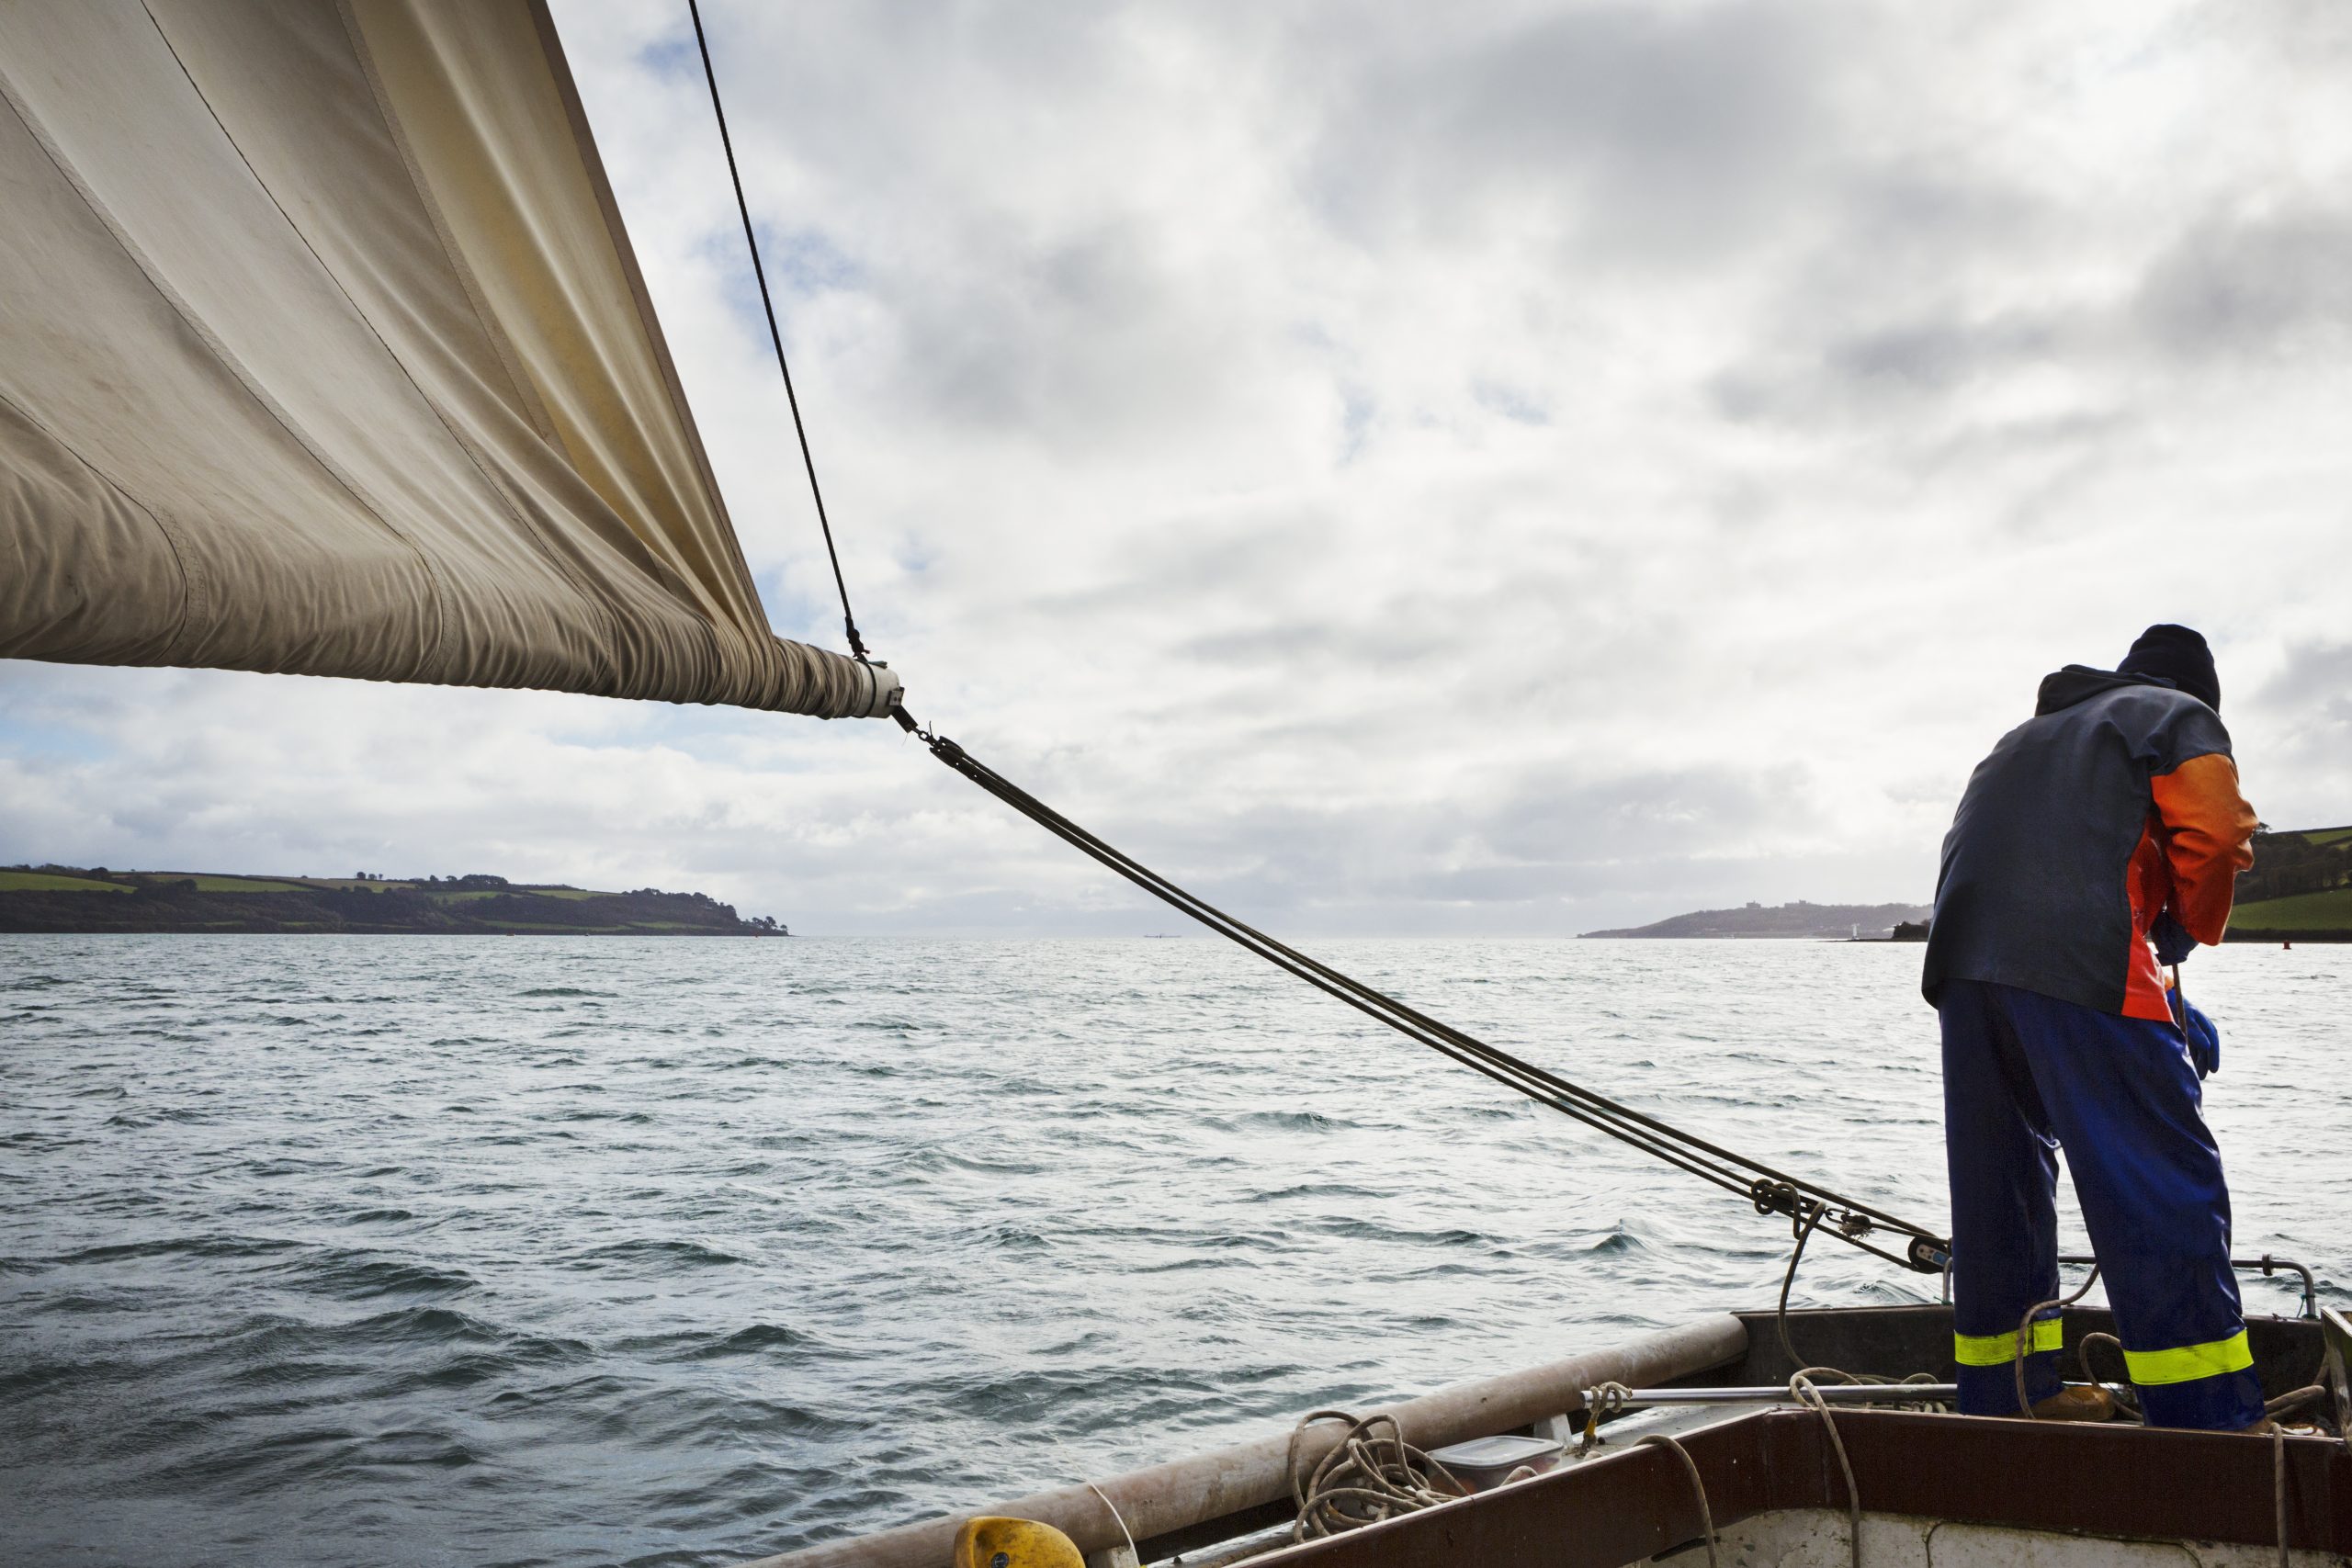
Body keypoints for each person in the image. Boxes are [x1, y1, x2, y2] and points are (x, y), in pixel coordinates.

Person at [1922, 625, 2260, 1429]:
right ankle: (2207, 1421)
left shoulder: (2025, 737)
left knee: (1999, 1192)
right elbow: (2213, 838)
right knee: (2161, 1182)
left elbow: (2032, 866)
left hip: (1965, 971)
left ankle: (2013, 1399)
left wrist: (2161, 997)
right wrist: (2183, 934)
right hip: (2085, 963)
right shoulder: (2176, 715)